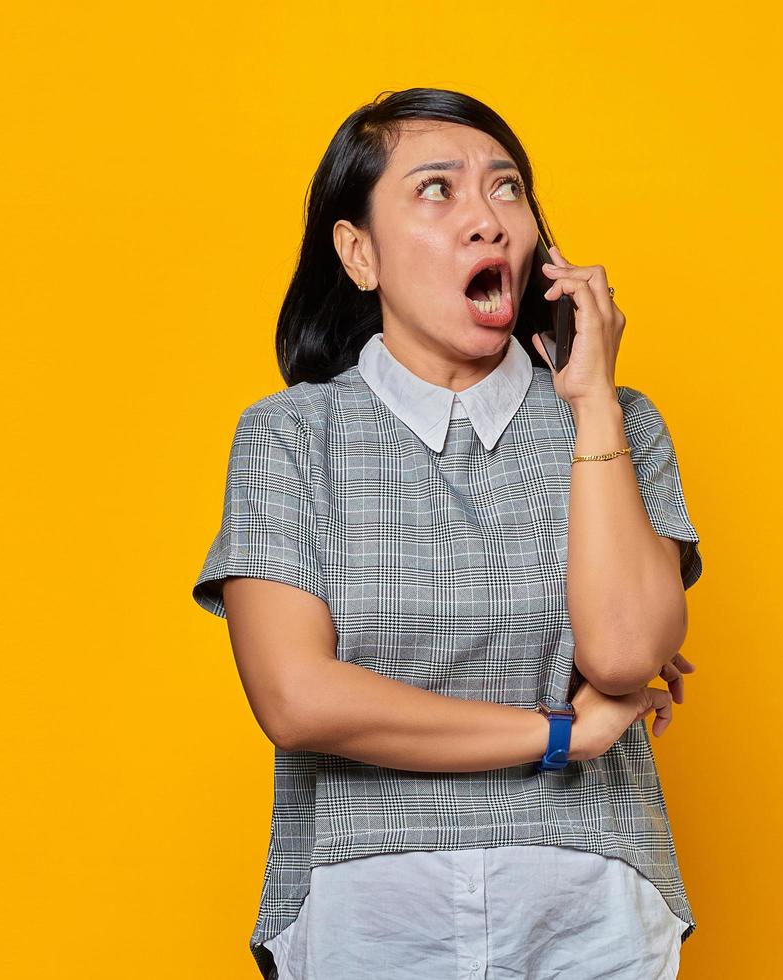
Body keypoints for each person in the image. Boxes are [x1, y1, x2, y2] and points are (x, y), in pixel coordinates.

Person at [190, 88, 704, 980]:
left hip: (592, 907)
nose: (487, 221)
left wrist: (589, 403)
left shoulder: (618, 422)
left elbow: (623, 653)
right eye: (438, 190)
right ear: (359, 253)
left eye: (508, 190)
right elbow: (298, 699)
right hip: (367, 906)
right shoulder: (290, 436)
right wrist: (562, 736)